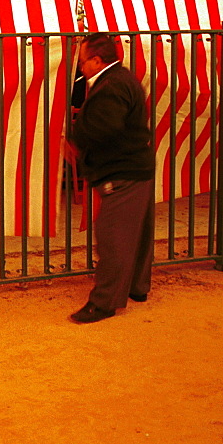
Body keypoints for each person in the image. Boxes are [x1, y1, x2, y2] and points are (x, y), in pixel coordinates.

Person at [64, 32, 155, 323]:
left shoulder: (111, 86)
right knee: (137, 235)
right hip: (137, 168)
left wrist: (75, 141)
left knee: (113, 236)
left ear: (97, 59)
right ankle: (137, 289)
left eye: (82, 61)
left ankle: (104, 303)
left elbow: (104, 128)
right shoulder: (123, 78)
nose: (80, 67)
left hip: (122, 171)